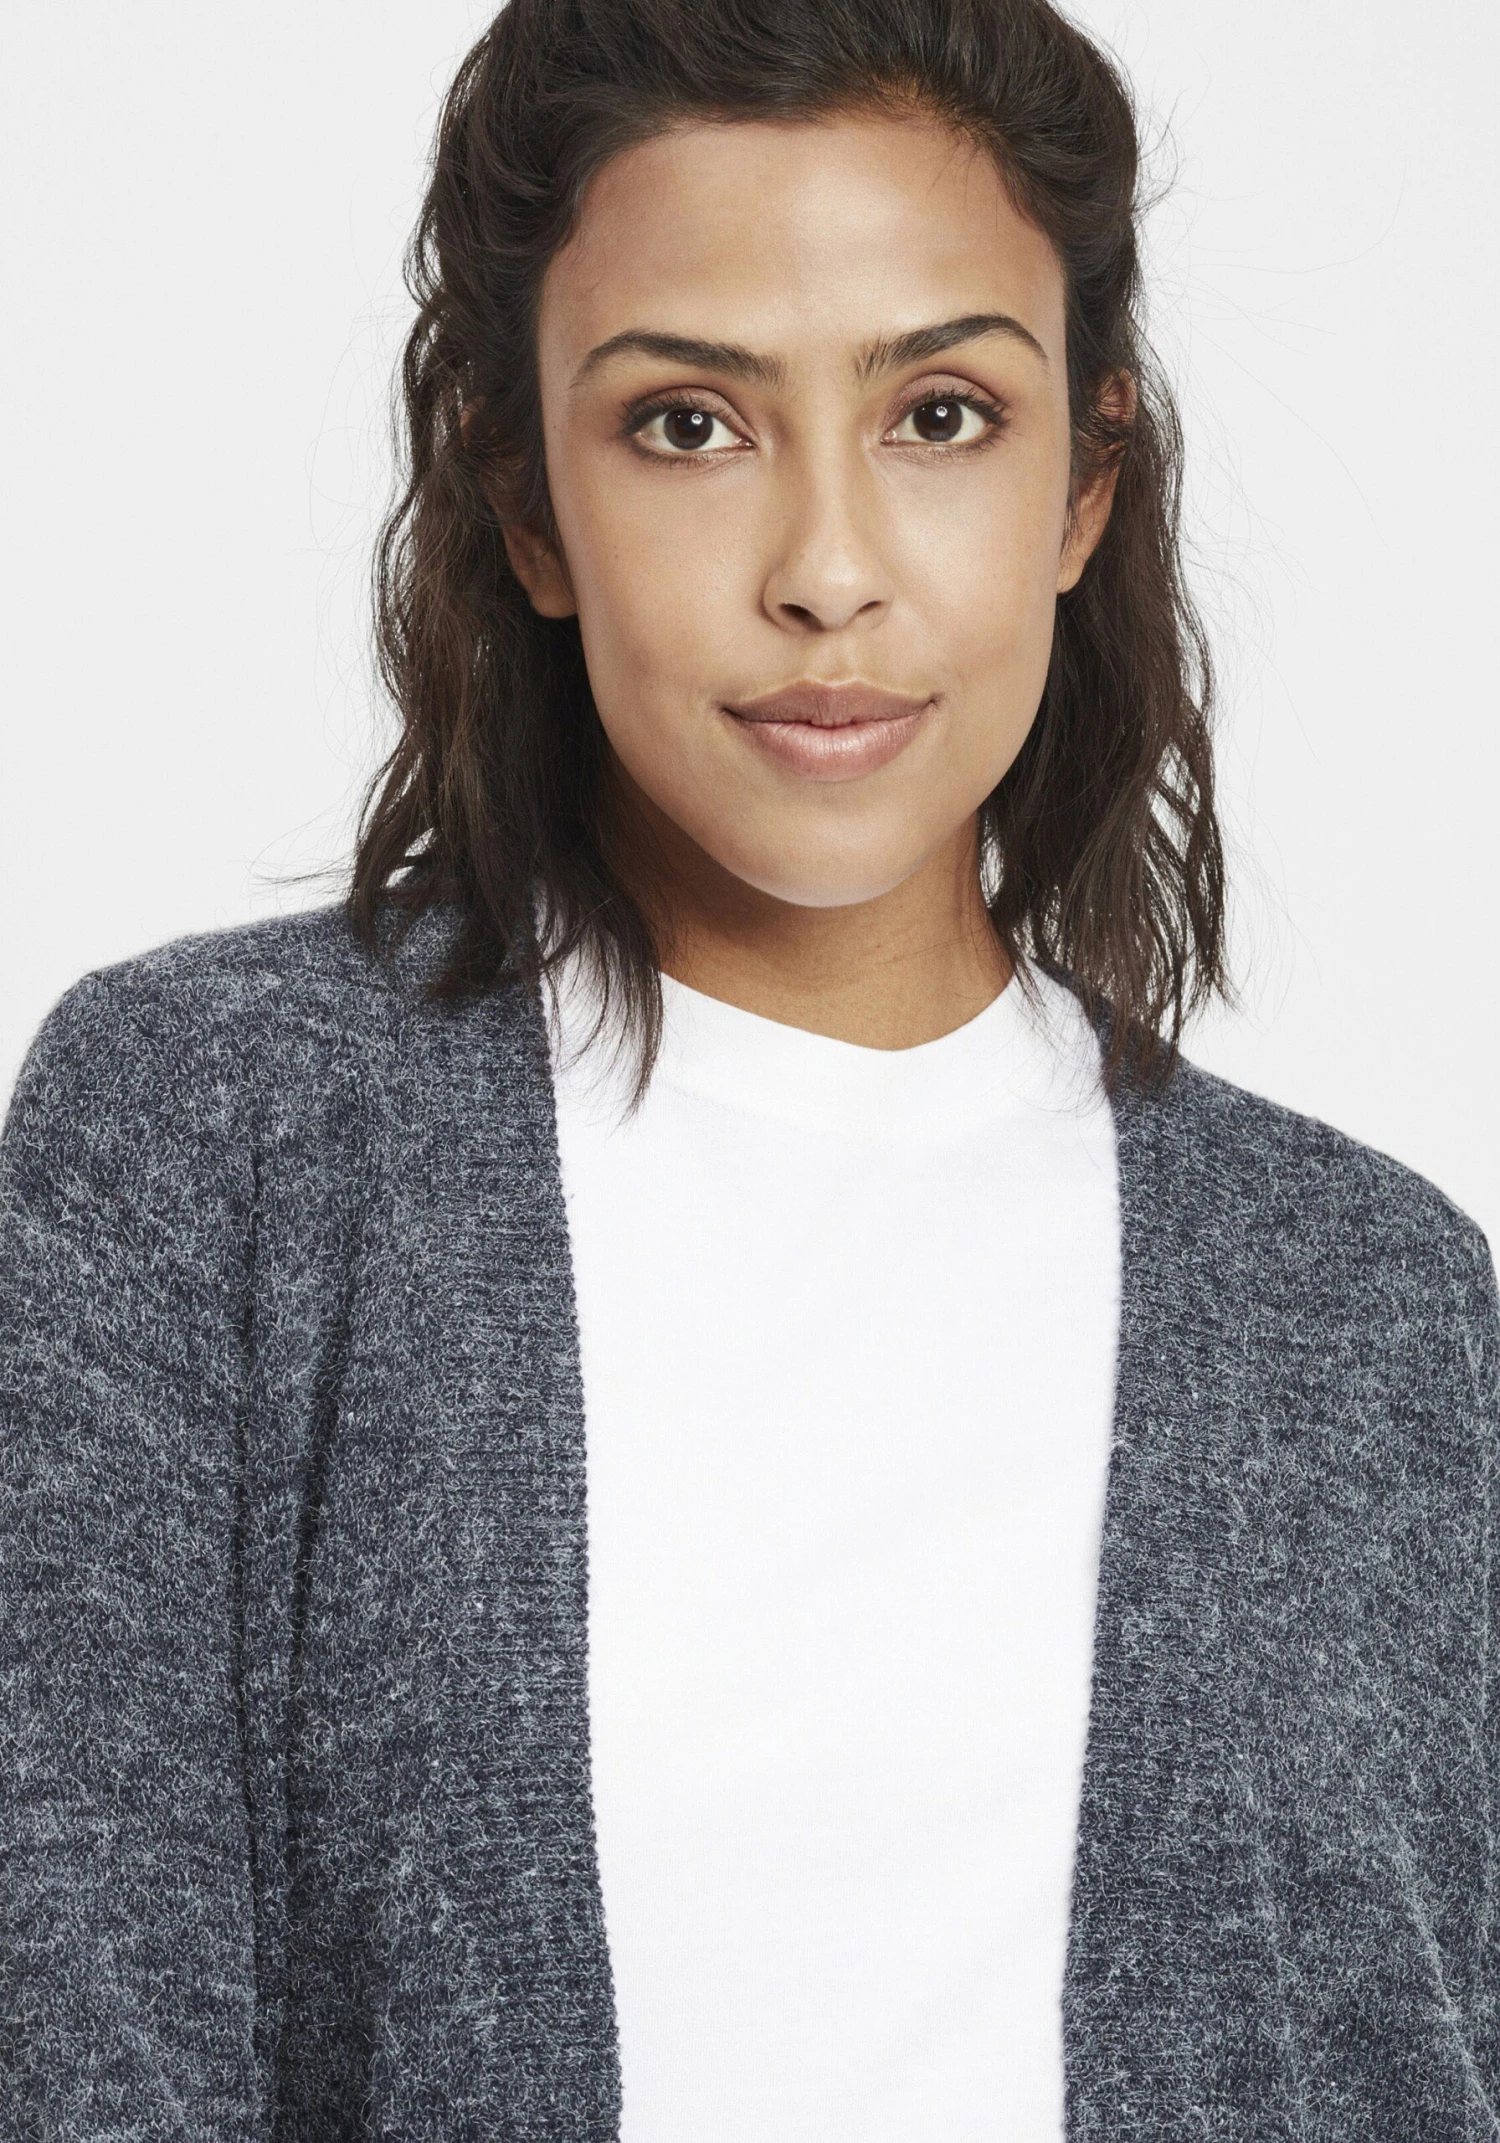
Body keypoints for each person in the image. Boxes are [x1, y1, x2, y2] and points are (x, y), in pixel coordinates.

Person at [1, 0, 1495, 2135]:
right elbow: (78, 2032)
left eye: (943, 415)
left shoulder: (1373, 1300)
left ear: (1086, 480)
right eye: (688, 424)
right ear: (524, 496)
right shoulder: (209, 1141)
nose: (827, 572)